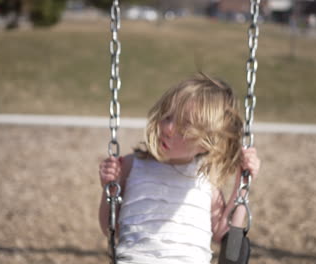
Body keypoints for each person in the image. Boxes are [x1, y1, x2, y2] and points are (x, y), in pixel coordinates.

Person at [98, 74, 261, 264]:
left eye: (184, 127)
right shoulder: (131, 166)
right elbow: (111, 228)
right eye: (167, 116)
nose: (167, 127)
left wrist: (241, 186)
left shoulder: (205, 179)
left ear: (207, 143)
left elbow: (223, 232)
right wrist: (108, 189)